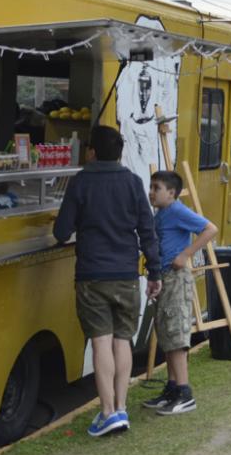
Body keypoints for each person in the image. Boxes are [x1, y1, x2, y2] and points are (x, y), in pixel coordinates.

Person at [53, 125, 161, 437]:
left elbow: (61, 232)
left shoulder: (80, 182)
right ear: (120, 151)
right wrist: (154, 272)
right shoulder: (132, 182)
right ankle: (122, 408)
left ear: (92, 151)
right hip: (126, 275)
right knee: (122, 340)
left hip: (92, 276)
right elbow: (147, 231)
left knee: (101, 342)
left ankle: (107, 411)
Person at [143, 171, 218, 416]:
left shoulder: (177, 210)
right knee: (166, 332)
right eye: (151, 187)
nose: (152, 192)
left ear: (172, 193)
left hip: (176, 278)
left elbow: (209, 228)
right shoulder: (161, 214)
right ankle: (173, 387)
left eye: (157, 188)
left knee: (175, 333)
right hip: (164, 278)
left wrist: (186, 253)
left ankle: (185, 393)